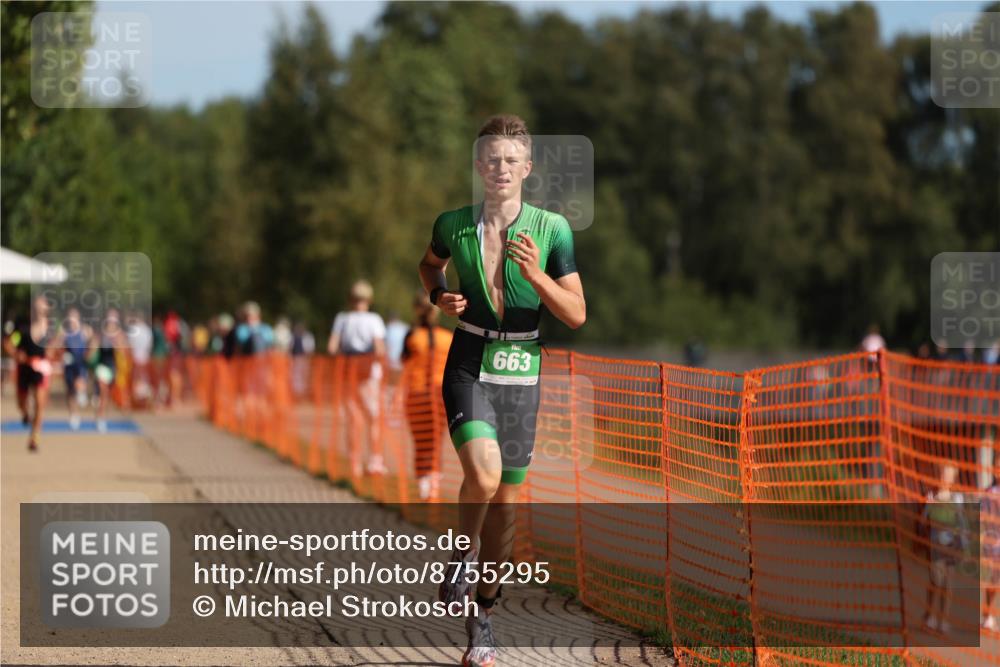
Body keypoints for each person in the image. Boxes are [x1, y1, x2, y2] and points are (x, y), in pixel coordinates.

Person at [417, 114, 585, 667]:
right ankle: (461, 556)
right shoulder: (452, 224)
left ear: (528, 168)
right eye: (492, 159)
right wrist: (439, 298)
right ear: (478, 166)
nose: (501, 168)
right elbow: (428, 267)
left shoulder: (553, 229)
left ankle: (483, 619)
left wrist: (537, 277)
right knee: (483, 475)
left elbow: (576, 314)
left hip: (522, 367)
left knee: (505, 510)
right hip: (468, 358)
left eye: (511, 160)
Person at [328, 280, 387, 476]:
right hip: (369, 375)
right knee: (373, 419)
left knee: (353, 419)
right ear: (369, 299)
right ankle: (374, 462)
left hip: (348, 374)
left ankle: (354, 463)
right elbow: (379, 349)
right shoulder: (374, 320)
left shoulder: (342, 319)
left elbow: (332, 348)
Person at [402, 291, 453, 500]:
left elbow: (404, 363)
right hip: (441, 394)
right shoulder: (448, 338)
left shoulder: (412, 336)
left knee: (420, 440)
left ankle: (424, 483)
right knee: (436, 440)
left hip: (417, 393)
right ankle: (433, 482)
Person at [921, 463, 969, 633]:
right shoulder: (931, 495)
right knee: (935, 580)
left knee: (948, 583)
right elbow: (923, 521)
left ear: (953, 478)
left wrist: (964, 545)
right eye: (942, 474)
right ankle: (929, 615)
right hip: (934, 546)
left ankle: (944, 619)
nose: (944, 478)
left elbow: (962, 523)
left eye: (948, 475)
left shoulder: (957, 499)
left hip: (951, 547)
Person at [6, 296, 56, 451]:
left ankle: (34, 437)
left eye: (43, 303)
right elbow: (8, 342)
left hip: (41, 367)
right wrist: (15, 354)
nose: (40, 306)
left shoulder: (51, 328)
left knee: (40, 403)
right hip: (24, 367)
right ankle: (26, 413)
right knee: (21, 402)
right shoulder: (22, 326)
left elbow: (56, 346)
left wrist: (52, 352)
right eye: (37, 303)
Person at [91, 309, 127, 433]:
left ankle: (100, 414)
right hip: (101, 367)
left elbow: (123, 353)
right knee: (103, 392)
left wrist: (117, 345)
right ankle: (101, 418)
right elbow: (92, 350)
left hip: (113, 368)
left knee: (106, 396)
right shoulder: (101, 334)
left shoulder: (119, 335)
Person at [60, 307, 91, 429]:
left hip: (80, 364)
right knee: (70, 392)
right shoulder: (64, 332)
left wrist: (89, 354)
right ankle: (74, 415)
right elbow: (58, 346)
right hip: (68, 365)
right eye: (70, 317)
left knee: (80, 383)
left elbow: (92, 344)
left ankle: (82, 393)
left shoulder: (85, 331)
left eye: (75, 317)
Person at [982, 454, 1000, 630]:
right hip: (993, 544)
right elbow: (984, 517)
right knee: (993, 582)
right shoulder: (989, 492)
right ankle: (986, 615)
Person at [125, 312, 154, 408]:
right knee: (144, 379)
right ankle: (144, 402)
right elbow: (150, 346)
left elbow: (130, 345)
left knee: (135, 380)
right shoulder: (148, 331)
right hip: (145, 358)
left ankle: (135, 401)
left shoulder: (134, 330)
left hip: (135, 359)